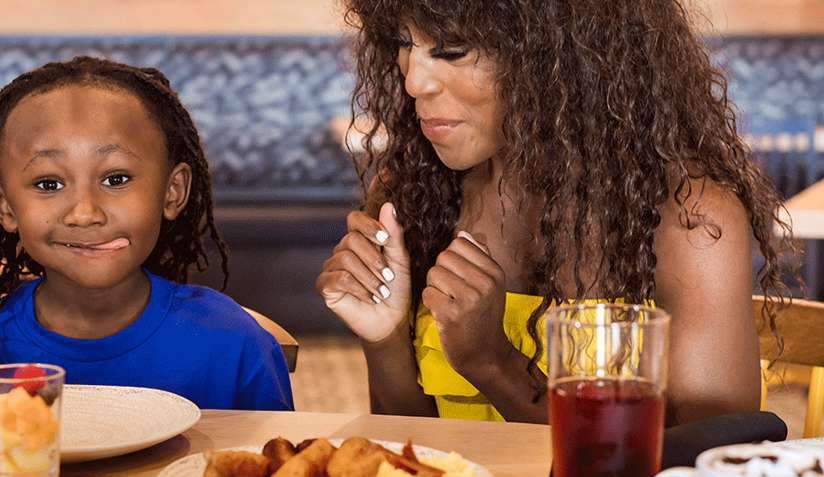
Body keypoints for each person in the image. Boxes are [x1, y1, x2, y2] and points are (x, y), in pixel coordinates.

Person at [317, 0, 789, 424]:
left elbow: (708, 460)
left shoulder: (689, 217)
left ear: (557, 57)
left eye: (453, 48)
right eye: (403, 43)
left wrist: (495, 365)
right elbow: (417, 451)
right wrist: (385, 337)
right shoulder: (414, 194)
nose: (413, 80)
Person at [0, 57, 293, 411]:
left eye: (116, 179)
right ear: (6, 207)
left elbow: (276, 464)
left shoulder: (234, 343)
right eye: (49, 184)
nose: (85, 213)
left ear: (172, 191)